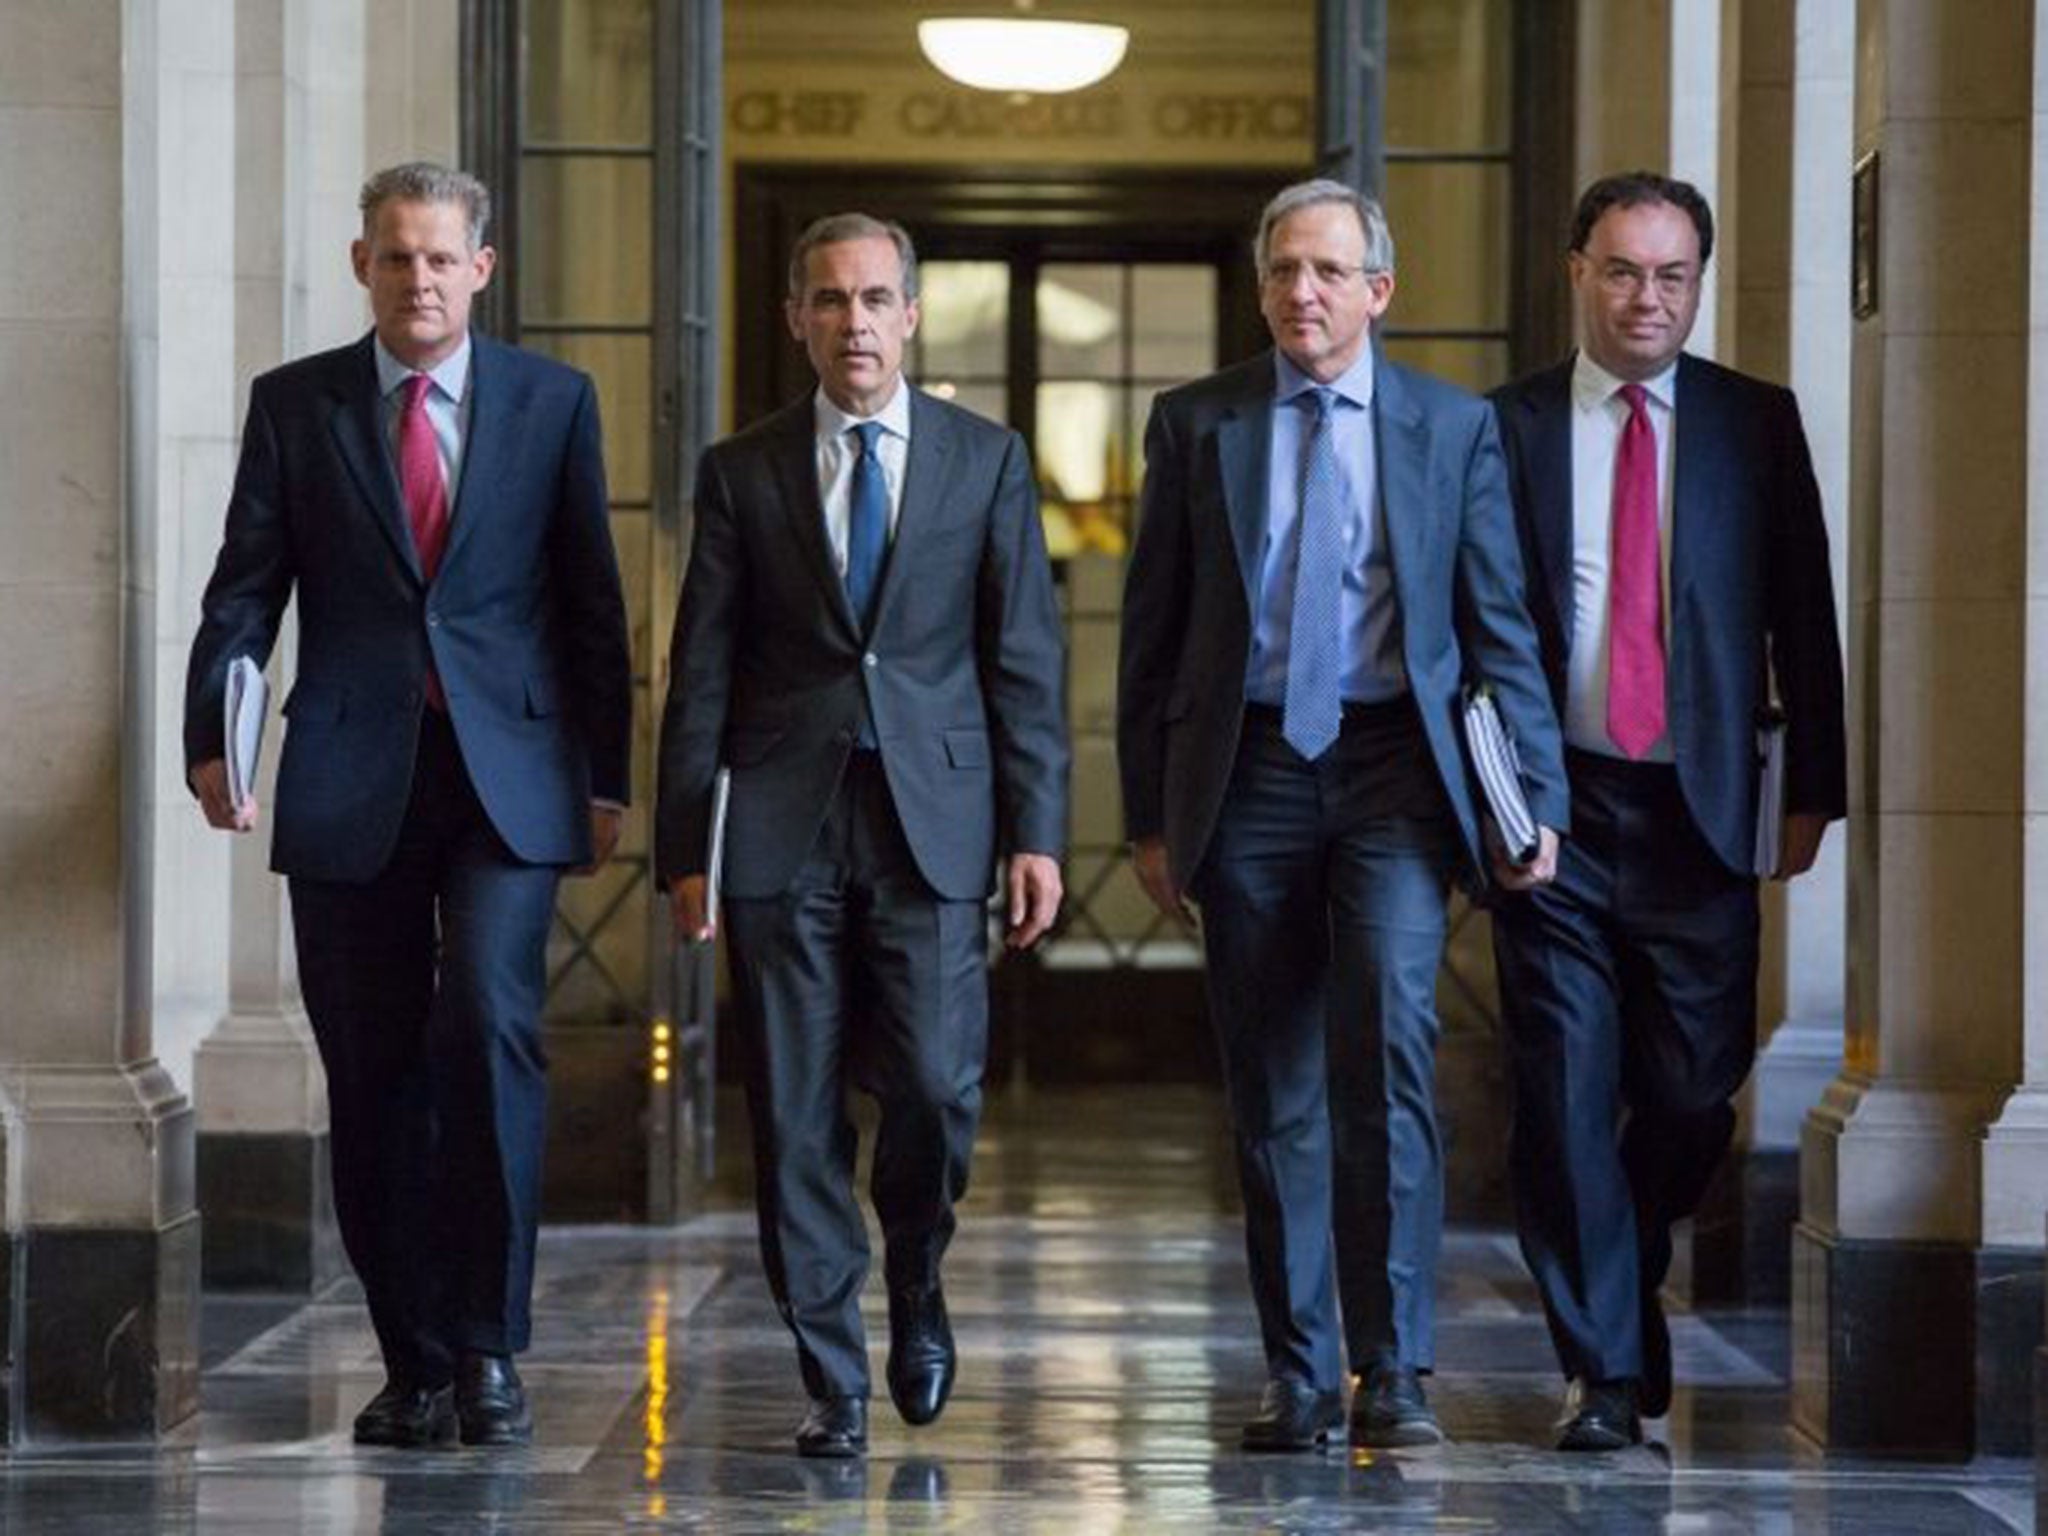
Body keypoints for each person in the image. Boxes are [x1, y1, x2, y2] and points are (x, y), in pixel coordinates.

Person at [183, 162, 632, 1449]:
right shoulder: (298, 405)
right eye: (396, 257)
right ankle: (412, 1358)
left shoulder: (553, 403)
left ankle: (488, 1346)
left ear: (481, 269)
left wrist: (603, 776)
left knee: (489, 1029)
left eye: (442, 258)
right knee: (371, 1068)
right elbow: (243, 590)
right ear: (360, 264)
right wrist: (210, 732)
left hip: (508, 780)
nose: (419, 279)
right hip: (348, 772)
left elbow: (589, 605)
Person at [1117, 178, 1567, 1453]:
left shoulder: (1447, 426)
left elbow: (1498, 628)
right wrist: (1150, 817)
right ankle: (1299, 1373)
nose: (1299, 295)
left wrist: (1528, 796)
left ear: (1378, 290)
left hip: (1392, 776)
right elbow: (1150, 639)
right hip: (1248, 771)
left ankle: (1397, 1365)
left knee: (1387, 1060)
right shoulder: (1194, 422)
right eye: (1279, 273)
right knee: (1271, 1087)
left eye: (1325, 272)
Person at [654, 212, 1068, 1459]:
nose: (853, 322)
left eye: (875, 298)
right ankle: (830, 1371)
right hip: (782, 829)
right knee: (792, 1114)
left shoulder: (984, 462)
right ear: (796, 319)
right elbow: (701, 671)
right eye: (828, 300)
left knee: (937, 1091)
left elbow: (1025, 661)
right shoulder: (744, 471)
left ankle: (919, 1278)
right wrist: (687, 846)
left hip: (933, 830)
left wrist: (1037, 832)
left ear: (911, 315)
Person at [1488, 171, 1846, 1450]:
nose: (1648, 298)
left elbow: (1803, 614)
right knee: (1566, 1089)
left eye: (1671, 276)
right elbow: (1471, 636)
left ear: (1696, 283)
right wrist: (1491, 802)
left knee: (1694, 1093)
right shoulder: (1505, 427)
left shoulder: (1756, 424)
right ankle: (1600, 1366)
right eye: (1624, 271)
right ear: (1575, 270)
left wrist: (1811, 789)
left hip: (1701, 808)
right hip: (1553, 816)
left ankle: (1620, 1267)